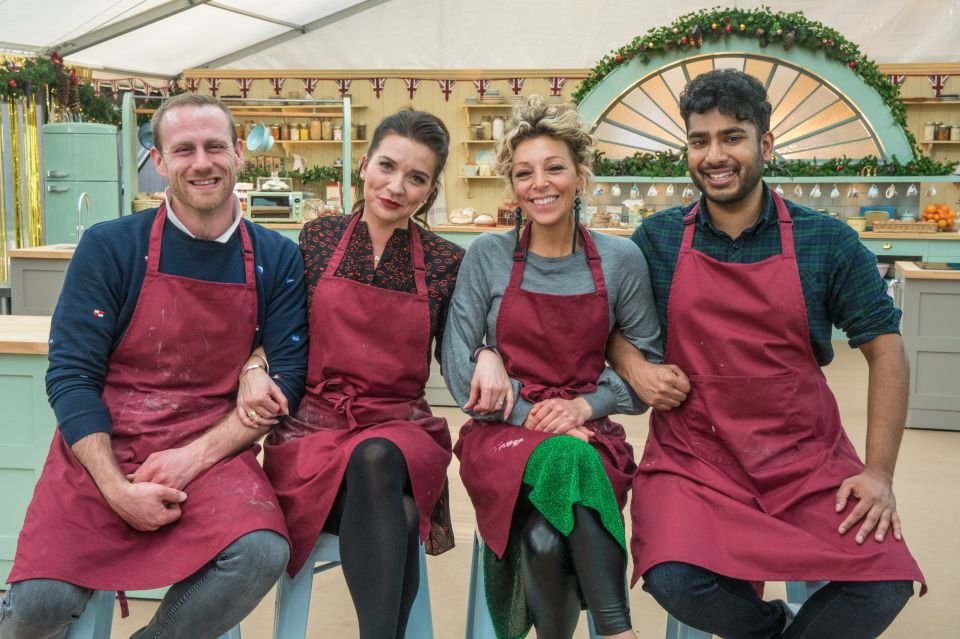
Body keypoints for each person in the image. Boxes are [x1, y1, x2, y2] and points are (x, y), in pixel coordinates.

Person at [608, 68, 925, 639]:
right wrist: (637, 369)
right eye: (700, 141)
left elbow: (888, 353)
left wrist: (878, 473)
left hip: (803, 458)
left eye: (732, 136)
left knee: (885, 582)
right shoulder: (654, 240)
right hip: (695, 459)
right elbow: (609, 326)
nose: (715, 155)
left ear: (765, 144)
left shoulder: (826, 241)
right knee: (672, 577)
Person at [0, 92, 307, 639]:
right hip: (102, 446)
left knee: (260, 552)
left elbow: (286, 377)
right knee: (37, 607)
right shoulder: (110, 247)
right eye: (183, 149)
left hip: (210, 449)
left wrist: (191, 458)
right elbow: (71, 377)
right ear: (159, 162)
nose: (202, 162)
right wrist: (118, 489)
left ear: (239, 153)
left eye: (215, 146)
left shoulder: (276, 257)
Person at [238, 110, 464, 639]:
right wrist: (253, 364)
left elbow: (459, 352)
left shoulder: (445, 260)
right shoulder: (318, 238)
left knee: (379, 453)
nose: (396, 186)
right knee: (399, 514)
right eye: (386, 166)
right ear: (363, 165)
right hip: (313, 432)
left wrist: (490, 350)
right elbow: (279, 328)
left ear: (429, 191)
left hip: (400, 428)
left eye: (416, 178)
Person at [442, 96, 662, 639]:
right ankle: (618, 631)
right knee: (564, 451)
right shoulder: (489, 256)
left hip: (590, 429)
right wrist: (527, 411)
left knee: (544, 540)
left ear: (581, 176)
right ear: (512, 185)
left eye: (555, 167)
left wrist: (585, 406)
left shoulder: (620, 259)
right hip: (501, 433)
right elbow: (453, 362)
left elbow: (647, 368)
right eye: (524, 173)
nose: (540, 183)